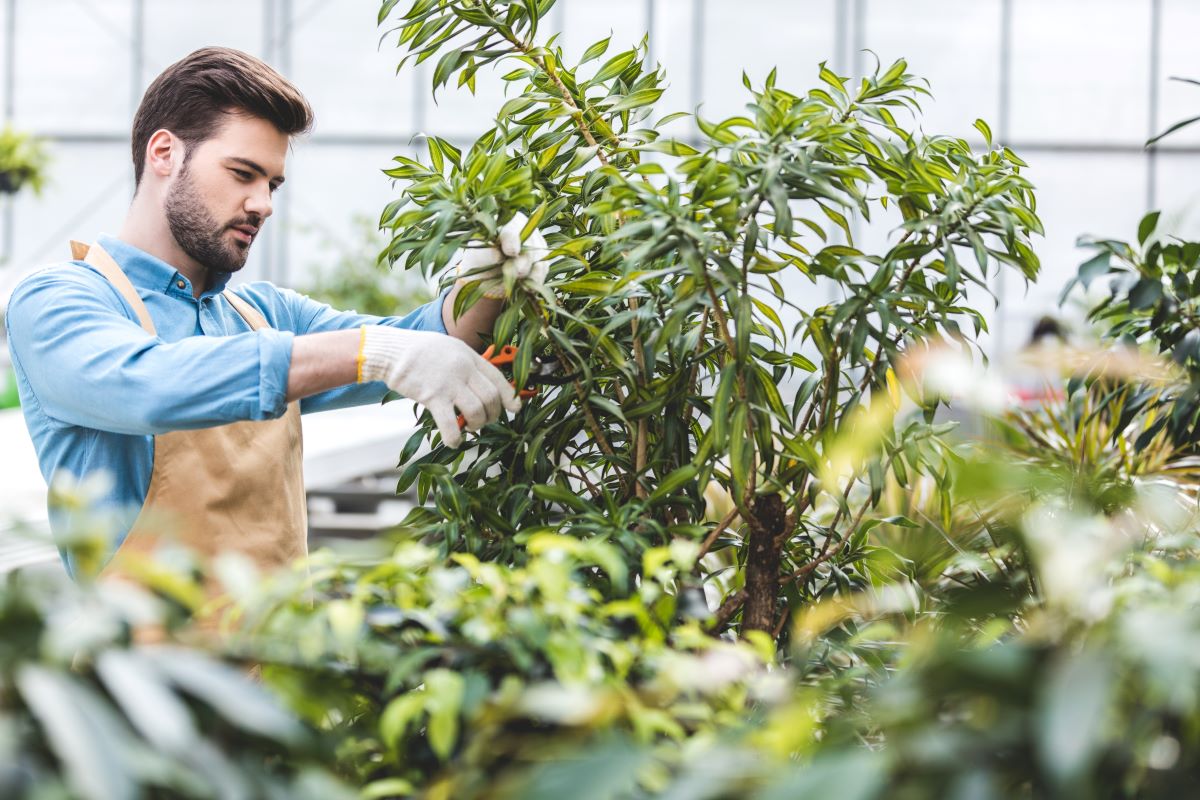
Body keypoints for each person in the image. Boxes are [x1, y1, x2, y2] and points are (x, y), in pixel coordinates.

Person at [3, 47, 548, 584]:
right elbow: (147, 384)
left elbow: (427, 338)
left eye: (272, 183)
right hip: (139, 669)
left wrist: (490, 281)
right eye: (243, 173)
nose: (264, 203)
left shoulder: (264, 315)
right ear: (164, 153)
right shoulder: (59, 300)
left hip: (280, 666)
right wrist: (373, 354)